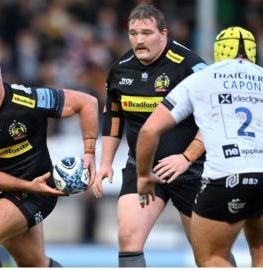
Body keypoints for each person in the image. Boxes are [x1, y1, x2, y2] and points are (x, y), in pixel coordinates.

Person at [136, 26, 263, 267]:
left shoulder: (201, 79)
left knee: (212, 257)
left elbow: (149, 130)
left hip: (227, 176)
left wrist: (142, 175)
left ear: (218, 50)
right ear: (254, 51)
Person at [92, 4, 218, 267]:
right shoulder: (120, 69)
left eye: (146, 33)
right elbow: (113, 116)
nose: (139, 40)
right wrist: (105, 163)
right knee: (128, 239)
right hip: (143, 168)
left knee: (208, 254)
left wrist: (186, 157)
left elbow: (216, 118)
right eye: (133, 33)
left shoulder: (190, 66)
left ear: (164, 34)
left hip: (192, 168)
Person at [0, 51, 98, 267]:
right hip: (11, 193)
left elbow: (87, 103)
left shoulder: (30, 99)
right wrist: (28, 185)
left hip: (40, 191)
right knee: (34, 264)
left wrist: (90, 153)